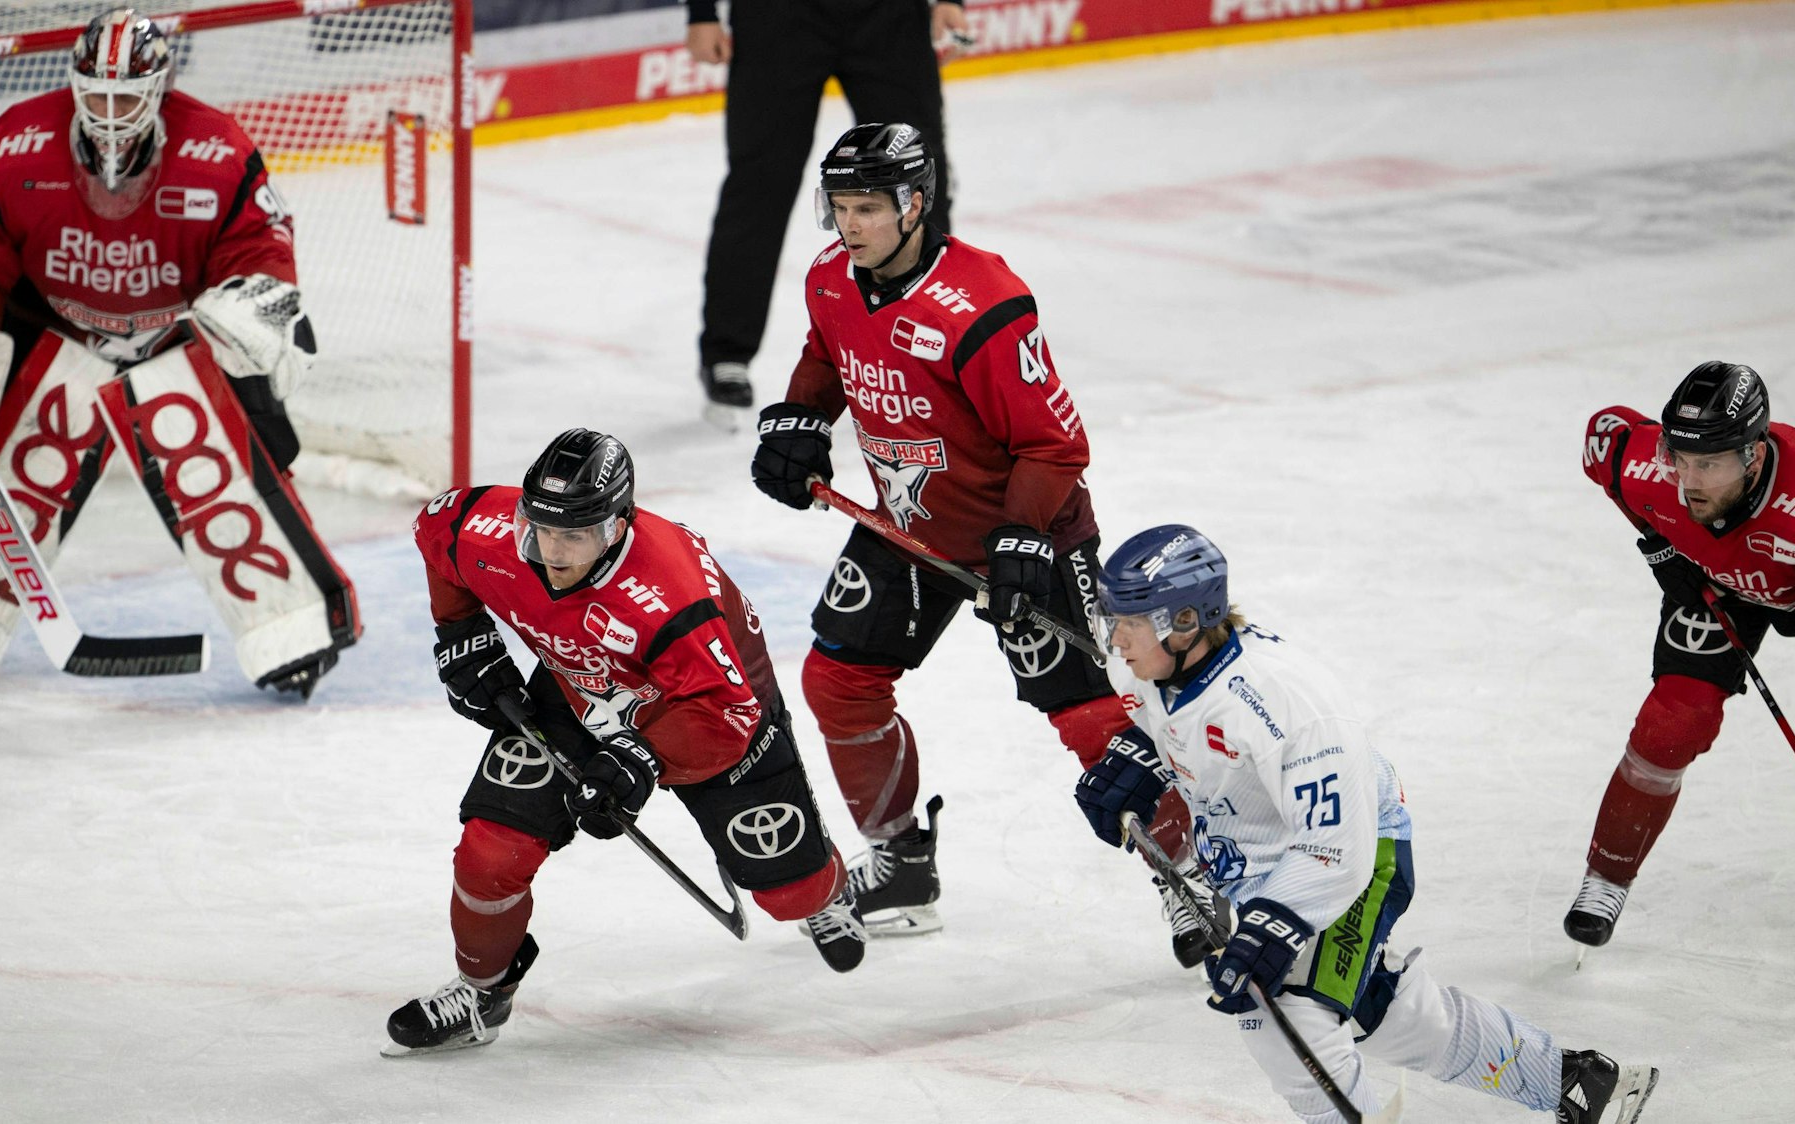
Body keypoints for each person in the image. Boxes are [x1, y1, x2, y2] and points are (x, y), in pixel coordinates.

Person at [749, 122, 1208, 965]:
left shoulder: (984, 302)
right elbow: (830, 353)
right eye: (837, 207)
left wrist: (1023, 536)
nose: (847, 227)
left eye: (865, 208)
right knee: (838, 682)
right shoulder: (829, 279)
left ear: (913, 203)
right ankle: (902, 863)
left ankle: (1191, 873)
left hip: (1023, 536)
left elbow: (1053, 444)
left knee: (1087, 717)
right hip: (908, 531)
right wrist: (800, 419)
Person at [1077, 524, 1659, 1124]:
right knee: (1375, 1005)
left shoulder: (1284, 701)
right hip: (1268, 861)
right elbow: (1172, 732)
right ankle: (1576, 1082)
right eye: (1112, 616)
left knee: (1284, 1012)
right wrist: (1136, 764)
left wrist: (1275, 927)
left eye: (1131, 621)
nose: (1114, 637)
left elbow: (1337, 847)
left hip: (1355, 854)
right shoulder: (1153, 670)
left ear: (1186, 622)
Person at [0, 7, 357, 698]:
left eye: (125, 97)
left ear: (159, 87)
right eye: (94, 96)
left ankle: (294, 631)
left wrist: (252, 313)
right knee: (38, 447)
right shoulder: (15, 143)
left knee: (198, 449)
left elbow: (262, 254)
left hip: (175, 338)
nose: (108, 113)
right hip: (56, 330)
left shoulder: (217, 149)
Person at [388, 427, 865, 1056]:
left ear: (615, 528)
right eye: (541, 529)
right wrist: (461, 631)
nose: (551, 552)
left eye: (574, 535)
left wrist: (637, 760)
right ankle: (482, 992)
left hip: (709, 706)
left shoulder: (669, 596)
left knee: (789, 892)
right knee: (491, 851)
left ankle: (828, 889)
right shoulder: (491, 529)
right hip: (579, 685)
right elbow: (437, 529)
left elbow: (726, 713)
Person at [1567, 362, 1795, 946]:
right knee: (1672, 722)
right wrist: (1657, 543)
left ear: (1753, 455)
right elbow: (1604, 434)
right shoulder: (1653, 468)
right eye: (1680, 458)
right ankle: (1607, 877)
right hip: (1719, 585)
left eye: (1709, 464)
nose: (1688, 481)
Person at [687, 0, 966, 427]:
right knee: (761, 183)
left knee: (917, 179)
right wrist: (701, 12)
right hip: (777, 17)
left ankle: (932, 341)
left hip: (887, 16)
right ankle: (728, 353)